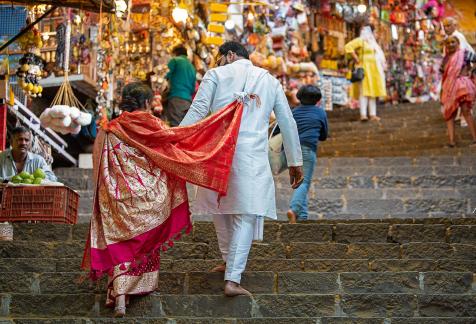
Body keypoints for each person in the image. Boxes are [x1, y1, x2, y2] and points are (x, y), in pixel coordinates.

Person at [83, 81, 254, 316]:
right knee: (142, 240)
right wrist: (225, 118)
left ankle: (119, 295)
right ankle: (130, 291)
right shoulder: (152, 124)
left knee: (121, 241)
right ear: (145, 103)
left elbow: (99, 165)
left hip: (118, 197)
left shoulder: (110, 128)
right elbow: (177, 143)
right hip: (148, 197)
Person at [180, 41, 304, 296]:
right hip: (251, 156)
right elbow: (287, 122)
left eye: (219, 58)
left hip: (217, 153)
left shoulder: (215, 75)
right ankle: (232, 278)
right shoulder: (268, 80)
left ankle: (229, 263)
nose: (218, 63)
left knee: (220, 208)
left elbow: (198, 111)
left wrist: (174, 140)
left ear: (230, 55)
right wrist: (295, 161)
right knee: (245, 214)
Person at [287, 85, 328, 223]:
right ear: (317, 100)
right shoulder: (320, 112)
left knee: (299, 180)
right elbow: (324, 135)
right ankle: (294, 209)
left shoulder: (294, 111)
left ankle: (302, 215)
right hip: (308, 148)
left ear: (299, 97)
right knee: (304, 181)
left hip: (292, 150)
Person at [345, 25, 387, 122]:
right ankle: (363, 114)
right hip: (364, 68)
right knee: (363, 91)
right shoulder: (361, 40)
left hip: (374, 69)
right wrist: (356, 58)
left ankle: (373, 114)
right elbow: (348, 47)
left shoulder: (373, 43)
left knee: (372, 92)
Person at [440, 35, 476, 148]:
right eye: (448, 43)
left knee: (466, 111)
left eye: (453, 42)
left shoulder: (464, 53)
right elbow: (444, 73)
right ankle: (451, 142)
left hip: (463, 85)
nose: (450, 44)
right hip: (449, 88)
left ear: (458, 43)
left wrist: (471, 71)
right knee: (450, 114)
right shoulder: (445, 59)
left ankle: (475, 139)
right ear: (445, 46)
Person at [442, 17, 475, 128]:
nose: (446, 28)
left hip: (461, 74)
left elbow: (462, 56)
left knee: (463, 97)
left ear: (454, 26)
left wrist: (467, 71)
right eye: (444, 26)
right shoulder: (448, 38)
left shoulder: (458, 36)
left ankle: (464, 119)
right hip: (454, 74)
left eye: (448, 25)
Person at [163, 45, 196, 126]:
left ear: (175, 53)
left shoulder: (175, 60)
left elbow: (164, 76)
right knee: (185, 128)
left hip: (176, 99)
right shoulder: (192, 67)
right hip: (188, 101)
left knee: (175, 128)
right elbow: (193, 88)